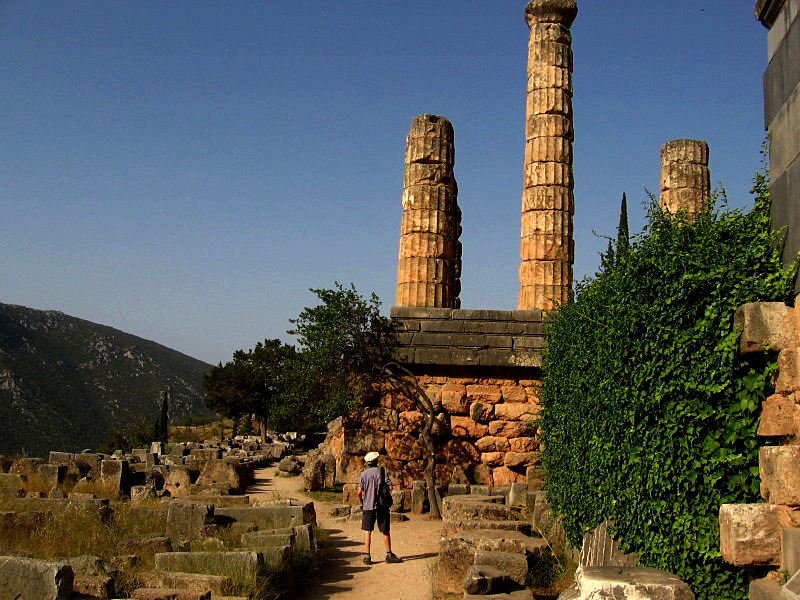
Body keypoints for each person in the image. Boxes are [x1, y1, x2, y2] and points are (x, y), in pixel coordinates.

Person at [357, 451, 402, 565]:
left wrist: (362, 501)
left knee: (367, 531)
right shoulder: (382, 472)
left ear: (367, 463)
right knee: (385, 530)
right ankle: (389, 554)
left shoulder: (363, 474)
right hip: (381, 505)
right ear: (377, 461)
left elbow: (359, 491)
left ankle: (367, 556)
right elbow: (390, 487)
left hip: (368, 506)